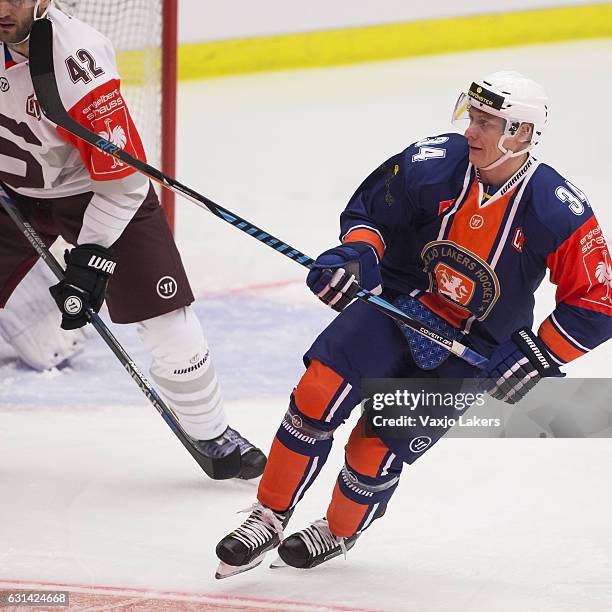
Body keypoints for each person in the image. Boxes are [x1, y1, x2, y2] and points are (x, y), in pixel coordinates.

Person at [214, 70, 612, 577]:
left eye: (486, 122)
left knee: (373, 443)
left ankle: (338, 530)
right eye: (473, 115)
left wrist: (541, 351)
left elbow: (597, 301)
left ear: (520, 134)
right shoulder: (435, 162)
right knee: (318, 390)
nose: (471, 130)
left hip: (476, 343)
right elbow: (371, 213)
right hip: (400, 306)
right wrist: (356, 257)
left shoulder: (556, 208)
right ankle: (268, 515)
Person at [0, 0, 266, 480]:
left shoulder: (77, 60)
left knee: (167, 317)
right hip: (9, 191)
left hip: (92, 192)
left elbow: (122, 185)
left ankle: (211, 431)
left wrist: (89, 258)